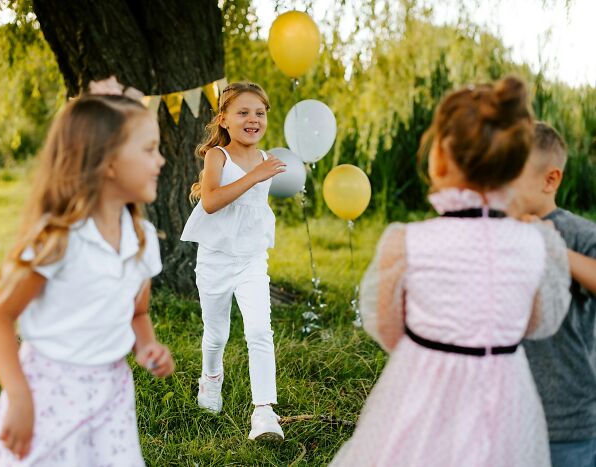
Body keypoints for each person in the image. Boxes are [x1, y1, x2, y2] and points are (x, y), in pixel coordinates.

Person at [331, 77, 571, 467]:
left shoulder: (404, 242)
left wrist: (440, 351)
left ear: (440, 157)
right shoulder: (539, 244)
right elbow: (535, 321)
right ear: (514, 166)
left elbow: (388, 329)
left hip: (423, 389)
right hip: (507, 395)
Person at [0, 84, 173, 465]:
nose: (160, 161)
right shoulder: (60, 240)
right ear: (108, 161)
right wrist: (18, 397)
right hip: (49, 391)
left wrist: (146, 346)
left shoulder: (142, 240)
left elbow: (137, 314)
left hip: (111, 394)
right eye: (149, 149)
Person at [180, 81, 286, 441]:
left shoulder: (265, 158)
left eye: (259, 112)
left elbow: (255, 209)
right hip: (215, 261)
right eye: (244, 112)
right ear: (224, 120)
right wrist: (256, 175)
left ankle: (264, 412)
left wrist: (266, 173)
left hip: (252, 260)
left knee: (259, 331)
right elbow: (210, 202)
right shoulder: (218, 158)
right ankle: (211, 378)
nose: (253, 119)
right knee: (217, 334)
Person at [512, 121, 596, 467]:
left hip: (568, 420)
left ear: (551, 180)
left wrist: (552, 248)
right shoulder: (501, 232)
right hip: (510, 415)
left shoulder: (577, 232)